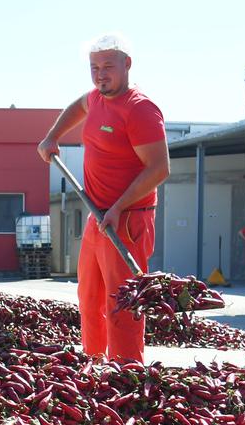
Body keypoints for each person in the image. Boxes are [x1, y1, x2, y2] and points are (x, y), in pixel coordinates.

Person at [38, 33, 170, 363]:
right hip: (98, 216)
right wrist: (52, 136)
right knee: (90, 295)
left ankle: (125, 372)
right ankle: (94, 362)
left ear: (127, 64)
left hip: (127, 219)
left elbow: (159, 169)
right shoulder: (96, 99)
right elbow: (76, 106)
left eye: (108, 66)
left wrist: (118, 207)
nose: (100, 74)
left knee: (121, 301)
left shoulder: (140, 110)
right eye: (94, 67)